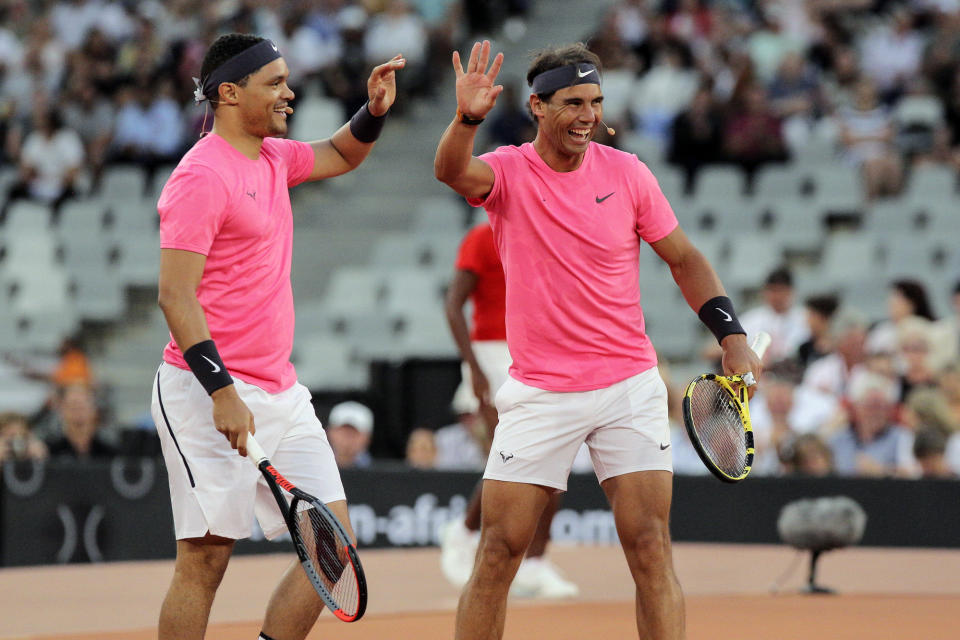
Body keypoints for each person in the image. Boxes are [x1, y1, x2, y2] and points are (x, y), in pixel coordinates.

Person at [434, 40, 762, 640]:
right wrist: (467, 118)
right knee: (500, 552)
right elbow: (452, 170)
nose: (588, 115)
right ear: (536, 106)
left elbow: (684, 259)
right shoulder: (507, 171)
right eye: (572, 102)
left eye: (596, 101)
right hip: (539, 392)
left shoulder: (628, 172)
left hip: (628, 386)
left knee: (649, 547)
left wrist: (731, 334)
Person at [149, 33, 404, 640]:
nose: (290, 92)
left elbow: (342, 154)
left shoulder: (273, 157)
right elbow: (174, 295)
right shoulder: (200, 177)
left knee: (334, 551)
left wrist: (373, 110)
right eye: (276, 83)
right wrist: (222, 392)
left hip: (282, 394)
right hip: (203, 393)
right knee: (205, 562)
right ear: (230, 94)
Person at [441, 220, 579, 598]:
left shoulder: (547, 234)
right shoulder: (482, 238)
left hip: (538, 355)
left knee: (551, 465)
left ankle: (533, 564)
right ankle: (467, 533)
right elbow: (453, 306)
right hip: (491, 356)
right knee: (506, 463)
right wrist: (474, 369)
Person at [45, 382, 116, 460]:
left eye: (83, 406)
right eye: (73, 405)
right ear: (62, 409)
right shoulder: (49, 450)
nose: (78, 411)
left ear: (94, 409)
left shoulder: (109, 451)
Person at [326, 400, 374, 469]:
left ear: (367, 437)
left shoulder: (381, 474)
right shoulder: (312, 467)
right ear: (329, 432)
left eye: (355, 432)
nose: (348, 437)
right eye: (343, 431)